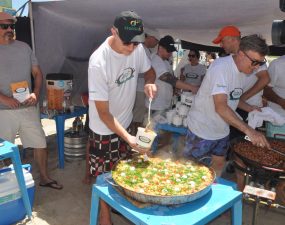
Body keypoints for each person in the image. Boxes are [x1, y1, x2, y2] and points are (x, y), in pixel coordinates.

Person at [88, 11, 157, 225]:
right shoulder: (98, 62)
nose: (131, 48)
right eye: (127, 43)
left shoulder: (137, 49)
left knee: (123, 168)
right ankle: (104, 215)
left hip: (125, 122)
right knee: (102, 173)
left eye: (136, 44)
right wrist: (129, 138)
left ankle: (118, 203)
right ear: (113, 32)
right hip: (103, 126)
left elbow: (150, 71)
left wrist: (149, 82)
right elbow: (103, 113)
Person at [184, 35, 270, 178]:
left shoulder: (244, 72)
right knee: (191, 172)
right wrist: (249, 131)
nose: (256, 68)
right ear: (241, 54)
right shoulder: (220, 67)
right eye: (254, 62)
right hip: (202, 129)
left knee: (217, 168)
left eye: (260, 63)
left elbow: (232, 98)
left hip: (222, 130)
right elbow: (221, 107)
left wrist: (249, 108)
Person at [0, 12, 62, 190]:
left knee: (40, 143)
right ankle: (6, 187)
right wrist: (4, 98)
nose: (10, 29)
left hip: (28, 107)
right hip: (3, 111)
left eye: (12, 26)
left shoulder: (24, 47)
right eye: (5, 26)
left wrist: (35, 92)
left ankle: (44, 177)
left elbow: (37, 73)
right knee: (4, 150)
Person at [147, 35, 199, 114]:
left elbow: (171, 77)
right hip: (156, 105)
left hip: (164, 104)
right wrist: (191, 87)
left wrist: (174, 89)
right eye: (169, 51)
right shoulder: (155, 60)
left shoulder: (165, 62)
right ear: (160, 48)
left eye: (171, 51)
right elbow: (168, 78)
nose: (170, 53)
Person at [132, 28, 159, 133]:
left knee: (138, 113)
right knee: (137, 114)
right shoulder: (141, 49)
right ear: (150, 37)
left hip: (141, 87)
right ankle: (134, 136)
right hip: (139, 88)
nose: (157, 43)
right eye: (156, 40)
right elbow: (141, 70)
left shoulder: (146, 50)